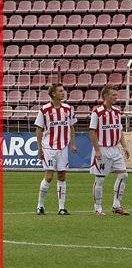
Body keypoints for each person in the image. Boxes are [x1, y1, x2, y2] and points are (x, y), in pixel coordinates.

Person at [35, 83, 77, 215]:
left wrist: (73, 143)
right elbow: (39, 129)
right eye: (60, 91)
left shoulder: (68, 108)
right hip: (49, 146)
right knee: (49, 176)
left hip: (63, 146)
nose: (63, 93)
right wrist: (39, 148)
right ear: (53, 93)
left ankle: (61, 208)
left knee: (62, 175)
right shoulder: (44, 110)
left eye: (63, 90)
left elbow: (71, 126)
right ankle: (40, 205)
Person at [89, 86, 130, 216]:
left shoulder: (117, 111)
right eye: (113, 95)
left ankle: (116, 205)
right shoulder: (97, 112)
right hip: (102, 148)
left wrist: (125, 147)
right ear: (106, 96)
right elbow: (92, 131)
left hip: (115, 149)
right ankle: (98, 207)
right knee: (100, 179)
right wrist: (96, 150)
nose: (116, 97)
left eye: (116, 95)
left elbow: (120, 131)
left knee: (123, 175)